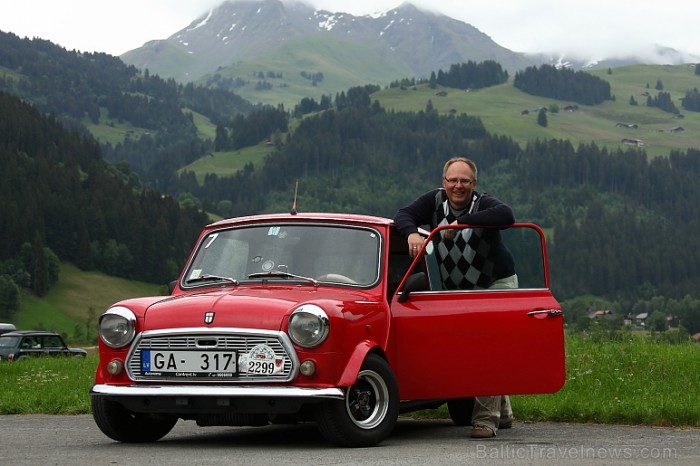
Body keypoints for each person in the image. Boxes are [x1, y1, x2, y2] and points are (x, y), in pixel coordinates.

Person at [393, 156, 516, 439]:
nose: (458, 186)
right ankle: (505, 412)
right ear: (443, 182)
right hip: (457, 287)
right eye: (453, 180)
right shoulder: (435, 201)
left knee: (486, 345)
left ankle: (486, 420)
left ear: (474, 184)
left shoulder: (483, 203)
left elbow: (506, 215)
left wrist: (459, 223)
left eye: (465, 181)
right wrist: (411, 233)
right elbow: (403, 214)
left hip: (494, 283)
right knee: (466, 345)